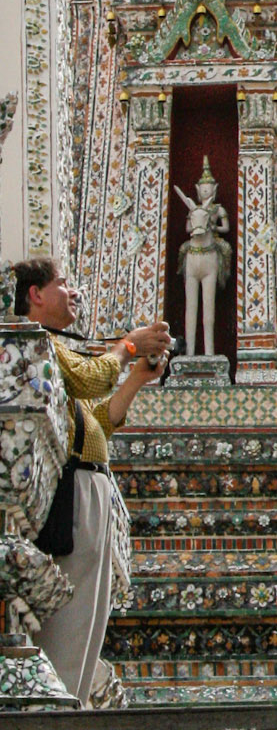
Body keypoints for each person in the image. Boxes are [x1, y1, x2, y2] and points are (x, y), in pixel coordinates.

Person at [12, 259, 169, 706]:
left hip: (89, 485)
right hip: (69, 492)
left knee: (88, 617)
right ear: (35, 295)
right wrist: (128, 347)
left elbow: (97, 423)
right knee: (69, 612)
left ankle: (69, 704)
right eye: (63, 283)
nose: (74, 292)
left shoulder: (57, 350)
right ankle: (54, 709)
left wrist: (136, 378)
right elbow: (88, 379)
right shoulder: (37, 345)